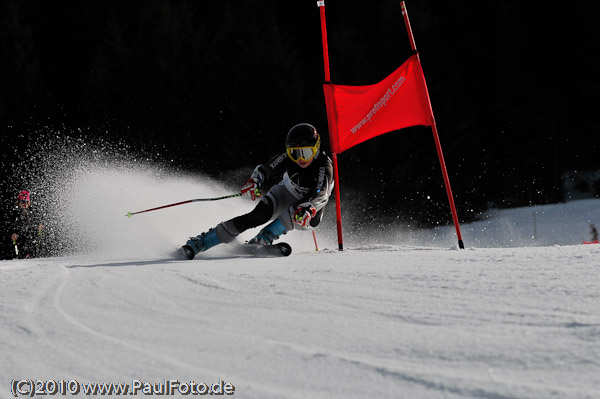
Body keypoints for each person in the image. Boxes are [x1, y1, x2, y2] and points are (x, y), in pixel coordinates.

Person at [181, 123, 334, 259]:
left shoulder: (324, 165)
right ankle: (203, 242)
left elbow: (322, 193)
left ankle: (263, 238)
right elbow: (266, 168)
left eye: (306, 153)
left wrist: (310, 208)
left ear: (316, 148)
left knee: (299, 213)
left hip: (311, 204)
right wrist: (255, 181)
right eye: (294, 153)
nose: (300, 158)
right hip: (286, 191)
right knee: (258, 216)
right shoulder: (287, 156)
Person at [5, 190, 44, 259]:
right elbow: (8, 227)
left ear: (29, 203)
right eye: (22, 202)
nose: (24, 204)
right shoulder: (14, 213)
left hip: (31, 241)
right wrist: (12, 234)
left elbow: (38, 223)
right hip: (19, 241)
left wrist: (40, 226)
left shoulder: (33, 212)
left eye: (26, 202)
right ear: (18, 202)